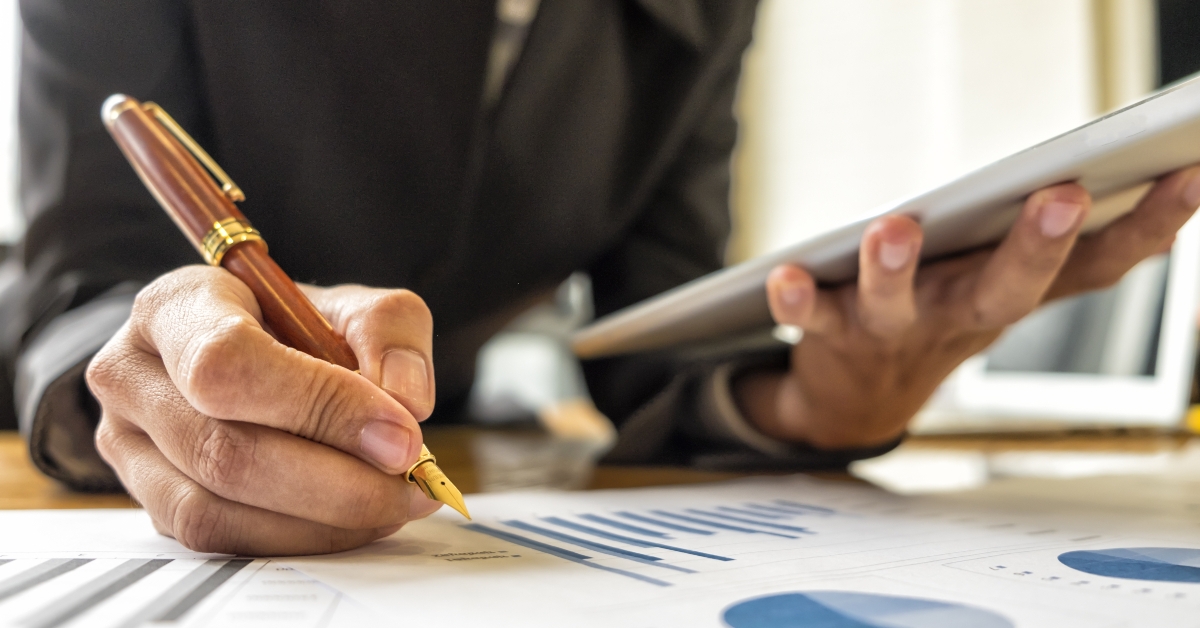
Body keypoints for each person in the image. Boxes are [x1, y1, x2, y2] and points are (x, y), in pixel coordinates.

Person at [2, 1, 1196, 556]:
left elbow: (655, 324)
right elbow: (77, 285)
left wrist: (832, 401)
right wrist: (145, 364)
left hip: (421, 440)